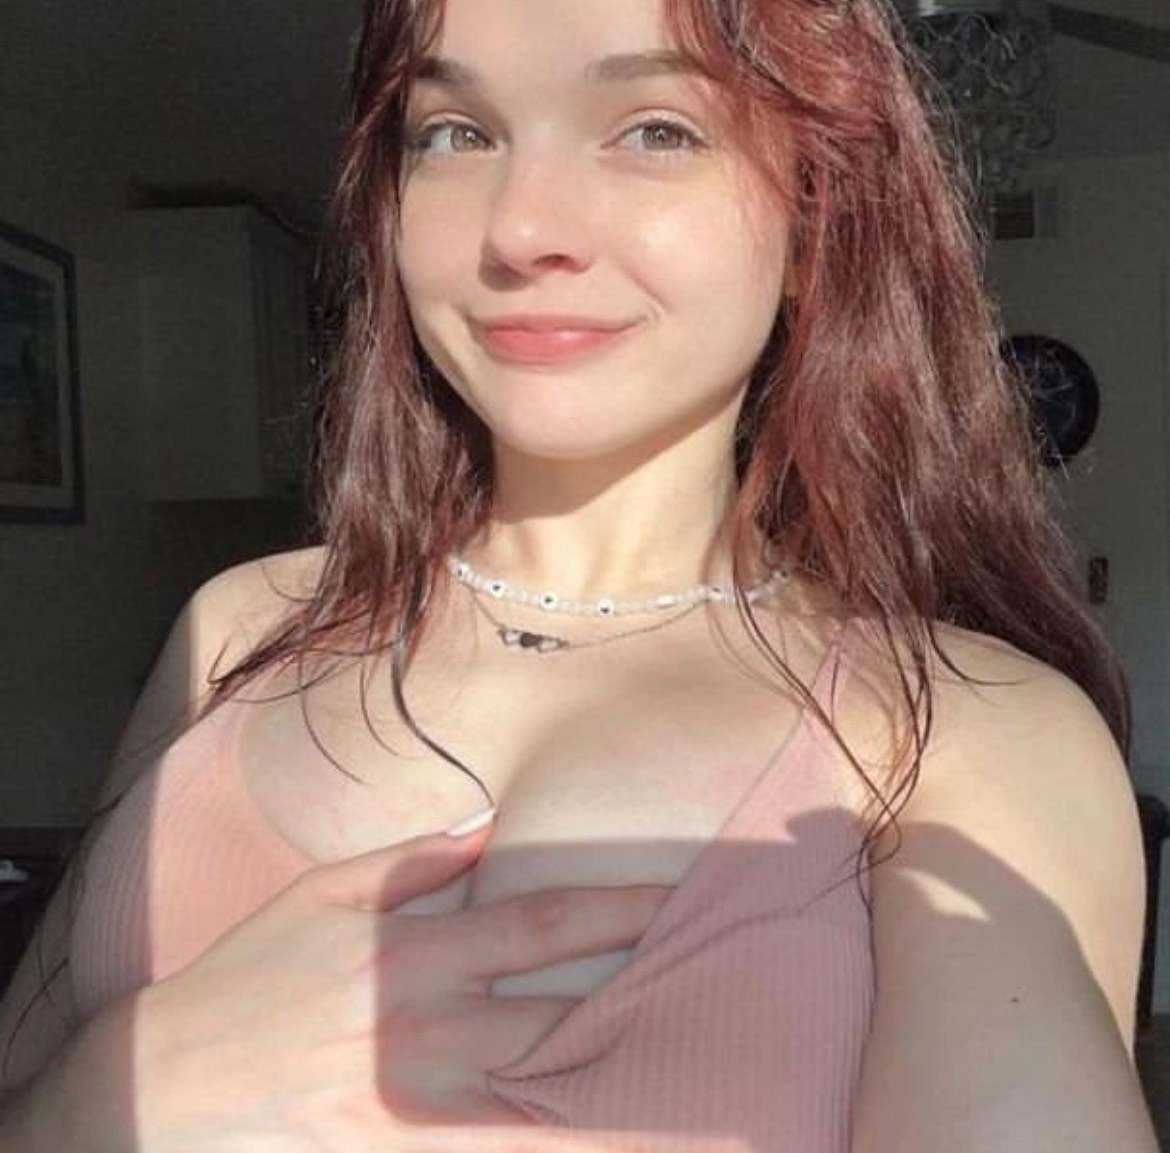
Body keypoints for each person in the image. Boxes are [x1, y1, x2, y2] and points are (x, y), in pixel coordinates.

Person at [0, 0, 1159, 1148]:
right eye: (456, 132)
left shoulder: (964, 731)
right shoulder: (236, 631)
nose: (520, 229)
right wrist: (90, 1103)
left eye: (656, 128)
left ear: (816, 218)